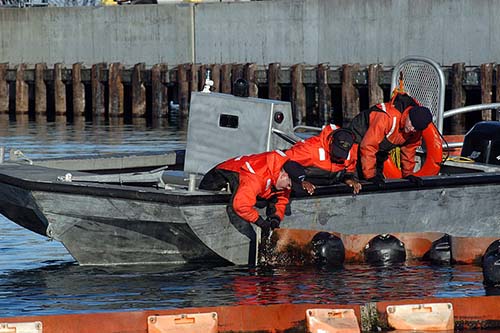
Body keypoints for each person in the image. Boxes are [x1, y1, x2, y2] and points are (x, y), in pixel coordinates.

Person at [198, 150, 315, 231]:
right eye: (289, 185)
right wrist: (260, 222)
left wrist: (275, 219)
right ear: (284, 175)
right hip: (218, 178)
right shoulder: (256, 177)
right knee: (241, 201)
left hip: (256, 185)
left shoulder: (284, 177)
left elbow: (281, 200)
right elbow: (240, 206)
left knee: (267, 198)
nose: (289, 188)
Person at [349, 92, 434, 186]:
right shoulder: (387, 117)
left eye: (416, 129)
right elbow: (368, 146)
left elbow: (409, 150)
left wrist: (408, 174)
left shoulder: (415, 131)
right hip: (359, 136)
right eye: (412, 125)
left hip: (381, 147)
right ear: (408, 116)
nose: (412, 129)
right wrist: (370, 176)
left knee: (379, 179)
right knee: (356, 176)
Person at [286, 125, 362, 194]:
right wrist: (301, 181)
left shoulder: (351, 152)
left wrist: (348, 179)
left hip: (332, 187)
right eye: (336, 152)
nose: (338, 158)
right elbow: (286, 160)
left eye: (341, 155)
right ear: (331, 141)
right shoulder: (310, 148)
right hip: (309, 186)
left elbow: (350, 170)